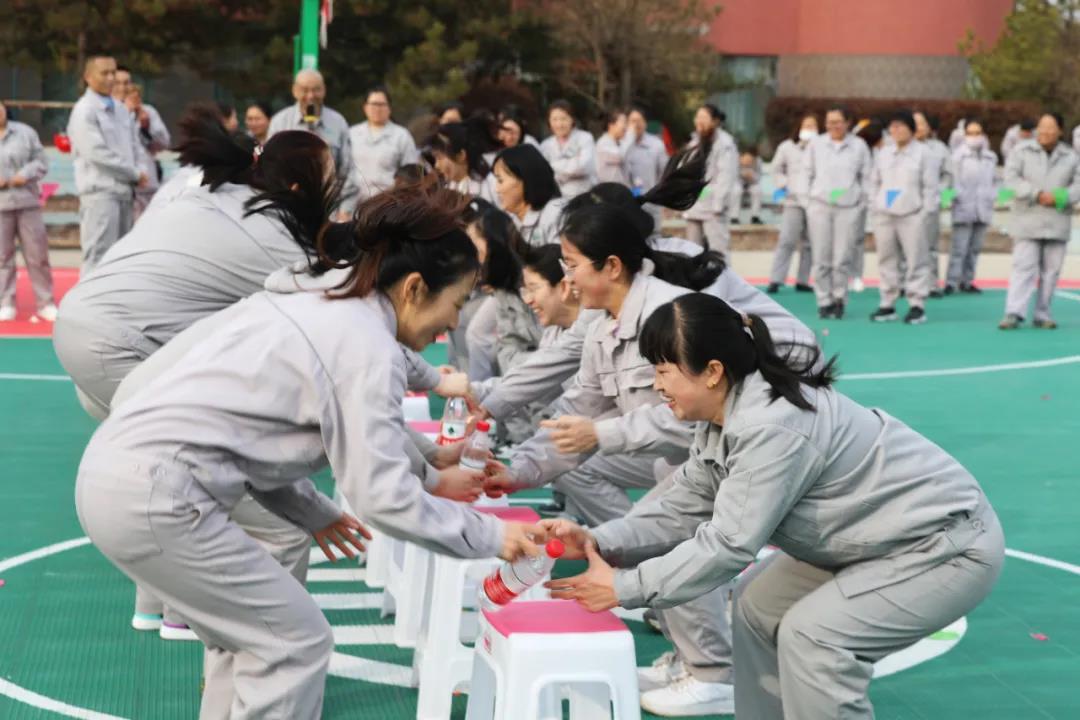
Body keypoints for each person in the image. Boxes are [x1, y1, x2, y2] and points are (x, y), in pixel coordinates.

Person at [75, 182, 545, 719]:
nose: (454, 323)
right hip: (156, 495)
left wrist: (312, 511)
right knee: (293, 644)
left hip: (115, 473)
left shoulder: (313, 301)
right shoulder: (363, 342)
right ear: (415, 288)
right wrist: (495, 535)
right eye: (457, 303)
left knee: (247, 642)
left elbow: (249, 433)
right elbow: (381, 495)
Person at [544, 291, 1004, 720]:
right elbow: (683, 502)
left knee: (817, 639)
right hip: (872, 536)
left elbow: (727, 545)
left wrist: (626, 586)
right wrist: (601, 540)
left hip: (941, 546)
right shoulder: (727, 413)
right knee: (756, 606)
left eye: (664, 370)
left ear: (712, 371)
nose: (656, 384)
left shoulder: (769, 426)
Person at [999, 112, 1080, 330]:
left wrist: (1060, 196)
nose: (1045, 132)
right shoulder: (1021, 151)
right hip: (1027, 218)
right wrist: (1035, 193)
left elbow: (1078, 184)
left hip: (1057, 219)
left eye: (1051, 127)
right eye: (1042, 127)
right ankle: (1014, 312)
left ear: (1060, 131)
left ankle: (1043, 313)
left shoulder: (1071, 156)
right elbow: (1011, 179)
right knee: (1023, 267)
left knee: (1051, 271)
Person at [67, 55, 147, 273]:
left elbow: (134, 145)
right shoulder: (84, 110)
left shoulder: (121, 109)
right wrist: (133, 172)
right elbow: (96, 153)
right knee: (98, 256)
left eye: (113, 72)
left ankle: (116, 306)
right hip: (100, 193)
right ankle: (87, 306)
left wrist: (141, 169)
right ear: (87, 77)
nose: (111, 78)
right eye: (104, 73)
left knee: (121, 256)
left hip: (124, 192)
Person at [800, 105, 871, 318]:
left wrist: (861, 203)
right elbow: (805, 174)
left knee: (842, 257)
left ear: (847, 122)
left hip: (848, 208)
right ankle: (824, 300)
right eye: (830, 122)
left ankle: (839, 298)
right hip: (820, 206)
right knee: (821, 257)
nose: (834, 126)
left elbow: (866, 177)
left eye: (838, 122)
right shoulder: (816, 144)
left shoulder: (859, 146)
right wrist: (808, 202)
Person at [460, 199, 541, 382]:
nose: (473, 258)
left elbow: (552, 355)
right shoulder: (503, 290)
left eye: (476, 248)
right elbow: (508, 346)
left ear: (495, 246)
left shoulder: (534, 284)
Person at [869, 111, 938, 325]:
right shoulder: (884, 153)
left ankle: (916, 303)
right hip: (885, 215)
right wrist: (876, 205)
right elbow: (873, 182)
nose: (896, 130)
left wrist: (924, 213)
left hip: (912, 214)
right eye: (893, 126)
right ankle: (887, 303)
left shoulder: (924, 153)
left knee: (916, 260)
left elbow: (930, 187)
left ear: (911, 128)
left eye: (901, 126)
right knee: (886, 259)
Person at [268, 69, 358, 213]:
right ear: (294, 91)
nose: (311, 96)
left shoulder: (338, 122)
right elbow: (270, 167)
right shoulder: (280, 122)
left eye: (316, 90)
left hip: (329, 209)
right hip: (288, 208)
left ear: (324, 90)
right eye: (304, 90)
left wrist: (345, 210)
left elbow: (347, 170)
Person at [0, 101, 55, 321]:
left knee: (37, 255)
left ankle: (46, 302)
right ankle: (5, 302)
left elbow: (41, 161)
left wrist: (23, 175)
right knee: (2, 257)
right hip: (1, 206)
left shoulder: (25, 133)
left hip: (27, 201)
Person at [766, 113, 817, 294]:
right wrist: (785, 184)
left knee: (810, 243)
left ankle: (803, 280)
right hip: (793, 200)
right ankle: (776, 279)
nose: (810, 130)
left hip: (814, 201)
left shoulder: (821, 147)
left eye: (813, 126)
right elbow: (776, 169)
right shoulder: (787, 147)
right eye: (807, 125)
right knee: (787, 239)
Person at [946, 119, 996, 295]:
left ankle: (967, 281)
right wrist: (953, 198)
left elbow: (994, 181)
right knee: (959, 248)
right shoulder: (957, 157)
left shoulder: (990, 157)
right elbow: (952, 182)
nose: (975, 137)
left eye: (978, 133)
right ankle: (951, 281)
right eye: (971, 133)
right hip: (963, 206)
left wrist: (994, 196)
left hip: (983, 207)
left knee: (974, 248)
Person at [683, 104, 738, 256]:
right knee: (692, 252)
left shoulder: (725, 143)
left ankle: (723, 280)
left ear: (715, 121)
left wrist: (718, 206)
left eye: (703, 118)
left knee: (717, 251)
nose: (699, 121)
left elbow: (726, 176)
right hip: (694, 205)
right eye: (697, 117)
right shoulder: (694, 141)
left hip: (714, 207)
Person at [349, 86, 420, 202]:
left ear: (389, 108)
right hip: (354, 204)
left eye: (381, 105)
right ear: (365, 107)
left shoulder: (402, 136)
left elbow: (410, 174)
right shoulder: (352, 134)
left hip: (387, 204)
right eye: (373, 104)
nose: (377, 109)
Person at [491, 144, 565, 246]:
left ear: (525, 179)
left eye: (500, 180)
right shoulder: (509, 219)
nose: (497, 189)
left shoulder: (556, 214)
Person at [914, 111, 952, 298]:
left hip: (930, 205)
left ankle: (930, 284)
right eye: (915, 124)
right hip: (906, 206)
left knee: (930, 247)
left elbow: (948, 174)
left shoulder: (939, 149)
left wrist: (938, 191)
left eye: (922, 123)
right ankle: (906, 284)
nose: (919, 128)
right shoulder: (899, 149)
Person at [125, 83, 171, 219]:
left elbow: (164, 143)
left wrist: (147, 127)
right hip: (127, 182)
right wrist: (127, 114)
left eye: (137, 96)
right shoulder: (117, 113)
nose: (135, 100)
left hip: (148, 181)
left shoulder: (148, 112)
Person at [850, 119, 884, 293]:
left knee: (857, 240)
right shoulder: (856, 147)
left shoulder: (881, 152)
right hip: (849, 200)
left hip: (868, 202)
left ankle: (856, 276)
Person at [623, 107, 670, 227]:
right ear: (626, 123)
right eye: (632, 121)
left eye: (639, 121)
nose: (636, 125)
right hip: (626, 201)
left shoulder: (656, 144)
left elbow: (665, 171)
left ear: (645, 123)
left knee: (653, 236)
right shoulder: (621, 145)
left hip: (650, 200)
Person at [540, 99, 596, 198]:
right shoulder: (545, 145)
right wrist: (573, 163)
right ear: (549, 121)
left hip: (583, 195)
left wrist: (552, 165)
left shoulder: (585, 138)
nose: (559, 124)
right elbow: (544, 173)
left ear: (572, 119)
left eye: (564, 118)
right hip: (556, 198)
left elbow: (584, 166)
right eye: (555, 119)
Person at [427, 120, 496, 200]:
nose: (437, 165)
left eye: (439, 157)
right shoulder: (448, 190)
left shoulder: (492, 187)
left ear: (461, 155)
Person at [595, 108, 631, 185]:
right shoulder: (603, 143)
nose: (626, 127)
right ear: (611, 125)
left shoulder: (620, 143)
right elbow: (619, 156)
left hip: (620, 190)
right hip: (607, 191)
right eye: (623, 122)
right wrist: (631, 135)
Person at [732, 149, 764, 225]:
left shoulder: (758, 161)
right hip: (738, 183)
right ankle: (734, 217)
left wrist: (752, 176)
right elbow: (731, 177)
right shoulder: (734, 160)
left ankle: (755, 216)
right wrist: (742, 174)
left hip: (752, 183)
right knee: (736, 191)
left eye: (750, 160)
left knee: (757, 190)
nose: (748, 162)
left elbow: (758, 178)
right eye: (746, 160)